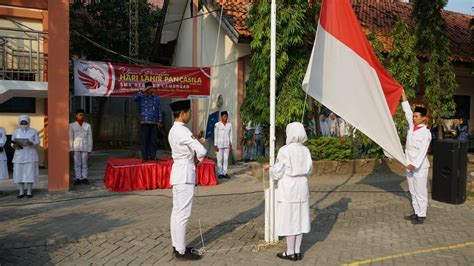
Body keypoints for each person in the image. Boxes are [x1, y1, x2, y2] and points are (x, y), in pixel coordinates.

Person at [265, 122, 313, 261]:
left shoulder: (285, 150)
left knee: (289, 221)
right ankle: (297, 251)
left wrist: (271, 169)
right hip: (302, 187)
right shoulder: (306, 150)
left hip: (288, 189)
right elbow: (310, 169)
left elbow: (277, 172)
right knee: (300, 220)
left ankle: (290, 251)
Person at [168, 100, 206, 261]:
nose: (190, 114)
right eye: (189, 112)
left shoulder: (173, 130)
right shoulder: (183, 131)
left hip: (178, 173)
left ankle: (178, 246)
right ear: (182, 113)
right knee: (183, 214)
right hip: (185, 173)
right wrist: (198, 160)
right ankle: (182, 251)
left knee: (176, 212)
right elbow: (202, 150)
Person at [401, 90, 432, 225]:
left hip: (419, 166)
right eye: (413, 116)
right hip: (408, 164)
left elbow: (422, 152)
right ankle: (416, 212)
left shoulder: (426, 133)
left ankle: (422, 215)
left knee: (420, 191)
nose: (413, 118)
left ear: (423, 118)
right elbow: (407, 111)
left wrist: (413, 164)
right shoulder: (411, 127)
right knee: (412, 190)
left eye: (416, 116)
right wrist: (403, 95)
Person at [11, 115, 39, 198]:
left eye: (25, 122)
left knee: (29, 173)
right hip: (19, 154)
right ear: (19, 122)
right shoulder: (16, 131)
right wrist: (14, 145)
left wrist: (32, 143)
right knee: (19, 173)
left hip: (30, 154)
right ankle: (21, 192)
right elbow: (12, 142)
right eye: (22, 122)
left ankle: (29, 191)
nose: (24, 124)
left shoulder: (33, 131)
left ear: (28, 122)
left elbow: (37, 141)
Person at [133, 81, 162, 161]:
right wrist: (141, 91)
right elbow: (134, 98)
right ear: (146, 88)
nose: (150, 90)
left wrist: (160, 121)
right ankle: (145, 157)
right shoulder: (141, 97)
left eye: (151, 88)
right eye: (148, 88)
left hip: (154, 122)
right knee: (144, 140)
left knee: (153, 140)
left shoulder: (156, 98)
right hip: (144, 122)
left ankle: (152, 156)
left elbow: (159, 109)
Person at [69, 109, 93, 185]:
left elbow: (90, 137)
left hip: (85, 146)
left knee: (84, 163)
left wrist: (90, 148)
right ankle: (78, 178)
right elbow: (70, 137)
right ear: (76, 116)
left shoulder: (87, 125)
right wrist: (71, 148)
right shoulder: (71, 125)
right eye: (80, 115)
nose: (81, 116)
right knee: (77, 163)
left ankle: (84, 178)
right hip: (75, 146)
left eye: (82, 115)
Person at [214, 111, 232, 179]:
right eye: (224, 116)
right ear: (221, 117)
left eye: (226, 116)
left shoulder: (229, 125)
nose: (226, 118)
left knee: (226, 159)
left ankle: (225, 172)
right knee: (219, 159)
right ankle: (220, 173)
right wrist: (215, 145)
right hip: (219, 144)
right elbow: (215, 135)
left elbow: (230, 134)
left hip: (227, 144)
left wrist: (230, 143)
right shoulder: (217, 124)